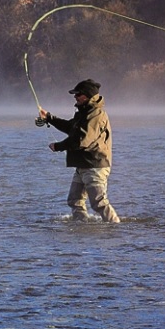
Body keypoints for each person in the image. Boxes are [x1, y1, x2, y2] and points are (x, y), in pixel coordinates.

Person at [38, 79, 121, 223]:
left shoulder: (96, 115)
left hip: (95, 165)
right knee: (74, 200)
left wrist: (58, 146)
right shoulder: (84, 112)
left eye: (78, 94)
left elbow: (81, 140)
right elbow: (71, 127)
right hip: (82, 165)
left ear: (87, 96)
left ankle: (115, 227)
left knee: (98, 203)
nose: (75, 97)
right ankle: (81, 226)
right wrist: (49, 118)